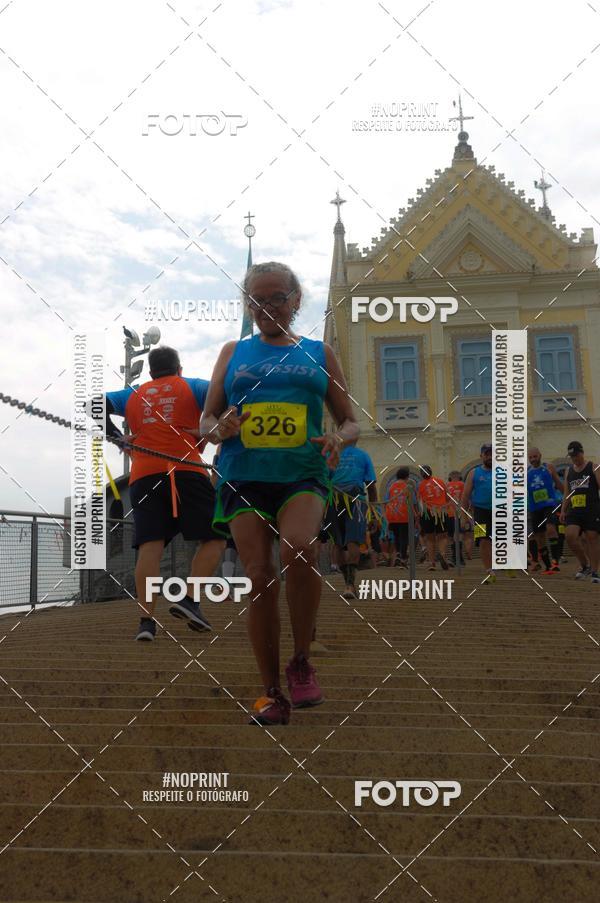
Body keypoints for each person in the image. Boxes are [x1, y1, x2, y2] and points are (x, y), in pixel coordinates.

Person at [200, 261, 359, 726]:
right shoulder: (233, 352)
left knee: (300, 548)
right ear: (247, 305)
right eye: (257, 300)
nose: (267, 307)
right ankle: (270, 692)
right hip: (243, 474)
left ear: (296, 301)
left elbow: (351, 420)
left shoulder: (319, 352)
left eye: (277, 298)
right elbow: (206, 420)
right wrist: (218, 428)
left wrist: (339, 438)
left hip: (302, 472)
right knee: (259, 575)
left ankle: (302, 661)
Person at [106, 346, 225, 641]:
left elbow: (92, 404)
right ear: (179, 369)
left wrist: (117, 438)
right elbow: (227, 396)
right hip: (187, 470)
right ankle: (190, 600)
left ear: (150, 372)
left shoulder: (134, 393)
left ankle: (146, 623)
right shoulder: (192, 386)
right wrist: (206, 430)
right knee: (216, 537)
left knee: (150, 547)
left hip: (144, 474)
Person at [328, 442, 378, 598]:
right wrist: (374, 514)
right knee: (353, 541)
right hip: (355, 499)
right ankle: (350, 585)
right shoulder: (363, 455)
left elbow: (322, 481)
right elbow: (371, 486)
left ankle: (347, 584)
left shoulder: (330, 455)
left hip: (333, 500)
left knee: (337, 542)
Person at [559, 440, 600, 582]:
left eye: (576, 455)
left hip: (591, 509)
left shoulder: (593, 467)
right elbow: (567, 493)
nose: (574, 459)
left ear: (582, 453)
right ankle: (585, 565)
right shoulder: (568, 471)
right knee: (570, 536)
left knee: (592, 538)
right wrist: (563, 510)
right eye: (572, 456)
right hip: (575, 510)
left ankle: (595, 572)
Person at [527, 448, 563, 575]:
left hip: (549, 504)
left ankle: (555, 561)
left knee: (551, 528)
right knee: (539, 536)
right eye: (530, 457)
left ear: (540, 455)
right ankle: (548, 566)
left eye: (535, 456)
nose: (533, 459)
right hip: (534, 508)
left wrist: (566, 497)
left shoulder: (548, 467)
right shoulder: (527, 472)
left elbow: (558, 483)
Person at [461, 444, 494, 582]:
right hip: (480, 511)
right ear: (481, 456)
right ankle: (489, 570)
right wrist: (464, 517)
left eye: (492, 454)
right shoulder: (474, 473)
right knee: (482, 540)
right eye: (487, 454)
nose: (490, 457)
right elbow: (465, 496)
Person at [417, 466, 449, 570]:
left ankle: (432, 562)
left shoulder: (420, 485)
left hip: (427, 512)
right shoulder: (440, 482)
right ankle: (442, 554)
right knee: (442, 536)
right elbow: (447, 497)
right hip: (441, 511)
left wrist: (418, 518)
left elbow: (419, 502)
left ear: (421, 474)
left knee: (429, 538)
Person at [385, 467, 412, 567]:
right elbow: (412, 502)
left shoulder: (390, 487)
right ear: (407, 476)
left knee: (397, 536)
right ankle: (403, 558)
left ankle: (398, 554)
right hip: (404, 515)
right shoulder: (407, 487)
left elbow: (386, 501)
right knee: (404, 537)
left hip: (392, 515)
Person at [446, 470, 465, 567]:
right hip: (460, 512)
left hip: (449, 513)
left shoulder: (447, 486)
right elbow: (466, 497)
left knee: (451, 536)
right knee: (459, 534)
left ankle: (455, 556)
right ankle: (459, 557)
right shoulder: (462, 484)